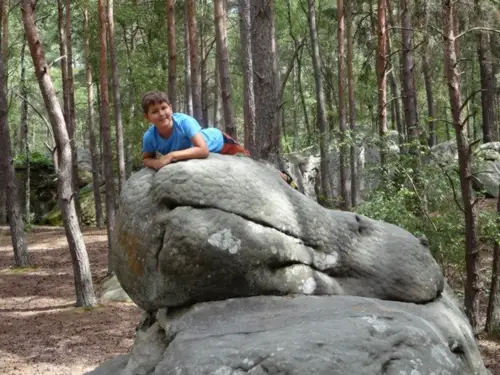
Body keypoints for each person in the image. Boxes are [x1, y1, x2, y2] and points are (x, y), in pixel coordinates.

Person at [141, 90, 297, 189]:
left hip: (220, 143)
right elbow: (146, 159)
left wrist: (170, 156)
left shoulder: (183, 122)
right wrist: (156, 163)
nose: (161, 114)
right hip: (198, 153)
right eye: (155, 111)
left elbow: (203, 150)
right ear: (147, 117)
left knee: (250, 164)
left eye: (164, 108)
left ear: (171, 108)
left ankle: (282, 176)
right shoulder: (150, 137)